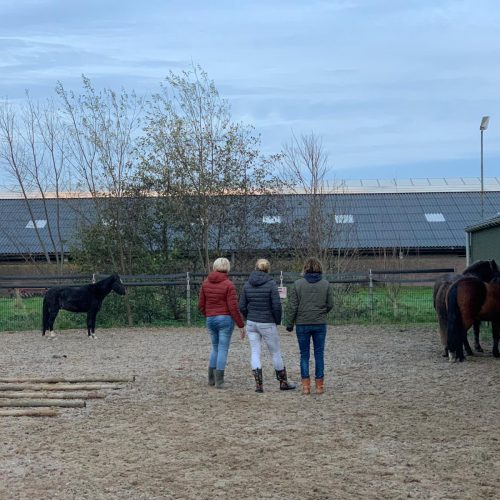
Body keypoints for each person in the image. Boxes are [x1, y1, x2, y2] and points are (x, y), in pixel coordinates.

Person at [239, 259, 296, 393]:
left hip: (252, 322)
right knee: (275, 352)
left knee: (255, 352)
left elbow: (241, 306)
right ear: (267, 269)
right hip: (267, 321)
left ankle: (259, 385)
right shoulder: (271, 284)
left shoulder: (247, 284)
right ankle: (283, 382)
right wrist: (276, 320)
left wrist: (249, 315)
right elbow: (276, 306)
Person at [286, 257, 333, 395]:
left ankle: (306, 386)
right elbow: (330, 304)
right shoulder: (326, 284)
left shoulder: (297, 284)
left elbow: (292, 306)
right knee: (319, 354)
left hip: (302, 323)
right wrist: (322, 312)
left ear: (305, 268)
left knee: (304, 355)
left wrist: (290, 322)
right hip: (319, 323)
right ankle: (319, 386)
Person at [198, 257, 245, 389]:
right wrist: (240, 324)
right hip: (225, 319)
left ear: (214, 267)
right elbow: (233, 307)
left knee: (215, 347)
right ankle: (219, 381)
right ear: (227, 268)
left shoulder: (205, 283)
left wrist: (208, 314)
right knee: (223, 348)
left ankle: (211, 379)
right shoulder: (229, 284)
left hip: (211, 318)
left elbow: (200, 304)